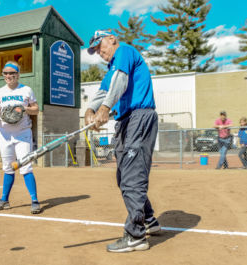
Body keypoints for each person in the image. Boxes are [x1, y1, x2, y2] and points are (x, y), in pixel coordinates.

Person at [84, 30, 160, 252]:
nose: (99, 52)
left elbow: (120, 81)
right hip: (126, 122)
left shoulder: (124, 52)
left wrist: (106, 108)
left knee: (132, 176)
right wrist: (90, 109)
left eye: (100, 46)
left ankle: (136, 234)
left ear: (112, 39)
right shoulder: (111, 70)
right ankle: (148, 220)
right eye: (95, 50)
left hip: (139, 117)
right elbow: (103, 91)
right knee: (123, 176)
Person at [0, 61, 41, 214]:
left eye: (12, 73)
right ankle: (4, 200)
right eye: (5, 73)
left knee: (25, 167)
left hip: (22, 133)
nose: (8, 76)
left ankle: (34, 201)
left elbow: (36, 109)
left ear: (18, 74)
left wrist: (24, 108)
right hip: (5, 133)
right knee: (7, 168)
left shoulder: (26, 90)